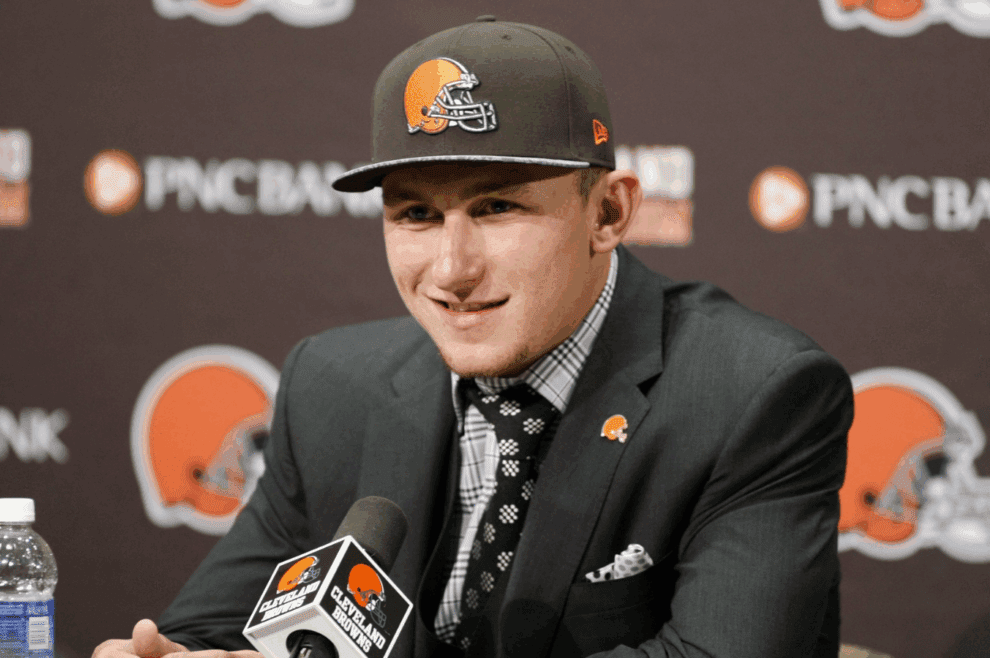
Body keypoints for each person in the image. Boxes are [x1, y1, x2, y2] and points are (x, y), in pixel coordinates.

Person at [93, 16, 853, 658]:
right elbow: (213, 625)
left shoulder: (754, 394)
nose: (452, 270)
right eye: (416, 215)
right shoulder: (331, 386)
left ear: (608, 213)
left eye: (497, 208)